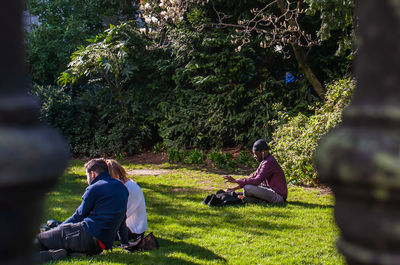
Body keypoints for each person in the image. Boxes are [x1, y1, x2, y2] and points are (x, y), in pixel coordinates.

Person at [33, 158, 129, 263]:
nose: (87, 179)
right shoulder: (122, 188)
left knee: (39, 239)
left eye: (86, 175)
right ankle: (66, 253)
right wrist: (125, 243)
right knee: (57, 240)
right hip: (100, 246)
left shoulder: (94, 188)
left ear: (92, 174)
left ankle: (39, 257)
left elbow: (78, 216)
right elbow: (122, 219)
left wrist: (57, 229)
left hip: (87, 235)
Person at [223, 139, 288, 204]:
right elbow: (253, 177)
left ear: (263, 152)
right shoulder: (265, 161)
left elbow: (257, 181)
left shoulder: (269, 162)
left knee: (248, 188)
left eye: (255, 153)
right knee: (248, 187)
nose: (254, 156)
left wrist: (236, 181)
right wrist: (234, 188)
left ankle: (251, 200)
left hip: (278, 197)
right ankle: (245, 198)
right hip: (272, 192)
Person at [105, 159, 148, 246]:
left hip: (133, 230)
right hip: (133, 228)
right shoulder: (127, 184)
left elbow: (118, 215)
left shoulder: (128, 188)